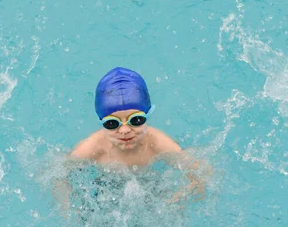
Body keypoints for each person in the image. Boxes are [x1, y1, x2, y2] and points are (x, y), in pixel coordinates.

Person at [52, 67, 209, 214]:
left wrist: (177, 201)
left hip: (151, 187)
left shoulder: (158, 144)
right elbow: (58, 173)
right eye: (112, 123)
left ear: (148, 115)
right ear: (101, 122)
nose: (125, 130)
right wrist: (69, 208)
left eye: (136, 120)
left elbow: (203, 173)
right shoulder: (92, 147)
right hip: (104, 190)